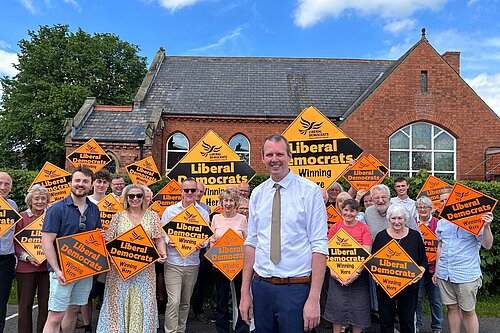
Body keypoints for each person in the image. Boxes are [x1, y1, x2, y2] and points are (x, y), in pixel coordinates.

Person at [240, 134, 328, 332]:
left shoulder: (310, 192)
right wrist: (245, 292)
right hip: (261, 287)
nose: (274, 159)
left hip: (295, 289)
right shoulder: (258, 193)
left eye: (279, 154)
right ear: (262, 158)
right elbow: (251, 243)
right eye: (269, 154)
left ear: (290, 157)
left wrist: (314, 298)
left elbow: (319, 245)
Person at [96, 184, 167, 333]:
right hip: (120, 270)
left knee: (142, 301)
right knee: (118, 300)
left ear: (143, 198)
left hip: (145, 270)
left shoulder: (152, 216)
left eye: (138, 196)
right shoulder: (118, 216)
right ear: (126, 198)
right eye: (131, 196)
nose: (135, 199)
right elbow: (109, 241)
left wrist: (162, 252)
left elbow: (159, 238)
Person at [41, 167, 101, 333]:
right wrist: (57, 269)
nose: (81, 184)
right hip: (62, 273)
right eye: (78, 180)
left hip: (85, 271)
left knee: (73, 310)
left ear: (91, 185)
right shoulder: (56, 209)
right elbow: (46, 242)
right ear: (71, 183)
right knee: (55, 316)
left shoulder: (94, 209)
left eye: (85, 181)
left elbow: (95, 239)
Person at [432, 190, 494, 333]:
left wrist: (486, 226)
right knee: (451, 307)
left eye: (447, 199)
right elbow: (440, 246)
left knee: (468, 310)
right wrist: (436, 271)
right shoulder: (441, 223)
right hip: (444, 273)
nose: (444, 203)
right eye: (441, 201)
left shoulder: (474, 220)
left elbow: (487, 245)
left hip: (465, 274)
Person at [162, 178, 210, 333]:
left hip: (192, 263)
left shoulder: (203, 213)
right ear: (181, 191)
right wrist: (169, 240)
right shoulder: (170, 211)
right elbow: (161, 234)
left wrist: (203, 243)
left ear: (197, 192)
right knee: (173, 301)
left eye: (193, 190)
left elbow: (207, 237)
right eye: (186, 190)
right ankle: (171, 331)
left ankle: (181, 329)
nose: (189, 193)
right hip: (173, 262)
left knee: (185, 302)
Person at [364, 184, 419, 316]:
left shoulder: (400, 210)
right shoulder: (368, 213)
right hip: (382, 266)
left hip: (402, 265)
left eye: (383, 197)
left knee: (406, 307)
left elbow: (416, 237)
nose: (380, 200)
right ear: (371, 199)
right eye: (376, 198)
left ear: (389, 197)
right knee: (385, 307)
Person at [372, 204, 426, 333]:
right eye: (393, 218)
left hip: (409, 286)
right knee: (386, 320)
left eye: (400, 218)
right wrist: (375, 276)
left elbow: (423, 260)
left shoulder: (415, 236)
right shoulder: (381, 237)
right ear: (389, 219)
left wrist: (421, 271)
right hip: (386, 286)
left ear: (405, 219)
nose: (397, 222)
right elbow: (374, 262)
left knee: (407, 320)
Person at [324, 199, 372, 333]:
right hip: (336, 275)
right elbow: (328, 251)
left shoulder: (364, 228)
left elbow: (366, 252)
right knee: (336, 310)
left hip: (359, 276)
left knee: (358, 311)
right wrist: (332, 271)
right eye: (346, 210)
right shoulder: (335, 227)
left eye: (352, 210)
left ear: (357, 212)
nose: (348, 213)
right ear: (341, 210)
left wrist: (356, 273)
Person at [210, 189, 249, 333]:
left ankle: (242, 328)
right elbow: (212, 240)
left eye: (231, 200)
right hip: (220, 264)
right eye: (225, 200)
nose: (228, 203)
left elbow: (247, 240)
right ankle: (222, 329)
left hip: (239, 264)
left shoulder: (242, 219)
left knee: (241, 297)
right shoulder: (216, 218)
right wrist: (214, 258)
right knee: (221, 299)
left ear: (236, 203)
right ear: (221, 202)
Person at [15, 185, 50, 333]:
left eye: (43, 198)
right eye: (37, 198)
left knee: (46, 306)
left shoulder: (50, 216)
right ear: (30, 201)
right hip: (25, 268)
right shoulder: (22, 217)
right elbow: (15, 242)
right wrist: (28, 257)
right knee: (25, 305)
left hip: (47, 267)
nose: (40, 201)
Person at [82, 169, 111, 332]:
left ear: (108, 185)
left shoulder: (115, 203)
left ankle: (107, 323)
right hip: (88, 251)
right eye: (98, 181)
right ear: (93, 183)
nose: (101, 185)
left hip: (107, 254)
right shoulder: (85, 201)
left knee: (105, 290)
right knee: (87, 292)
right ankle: (87, 325)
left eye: (104, 182)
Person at [415, 196, 443, 333]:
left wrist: (435, 262)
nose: (422, 210)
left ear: (431, 209)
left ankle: (437, 327)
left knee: (436, 300)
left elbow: (442, 246)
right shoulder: (412, 223)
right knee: (417, 298)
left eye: (425, 207)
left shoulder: (438, 223)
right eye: (420, 207)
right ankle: (417, 325)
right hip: (418, 267)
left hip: (434, 268)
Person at [190, 180, 212, 324]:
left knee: (199, 282)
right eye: (196, 190)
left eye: (201, 192)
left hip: (200, 251)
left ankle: (198, 310)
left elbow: (207, 233)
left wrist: (204, 244)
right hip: (181, 252)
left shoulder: (206, 210)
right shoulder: (176, 209)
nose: (198, 194)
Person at [0, 172, 18, 333]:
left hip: (6, 261)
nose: (3, 187)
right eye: (0, 183)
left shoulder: (13, 205)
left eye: (7, 184)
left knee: (2, 300)